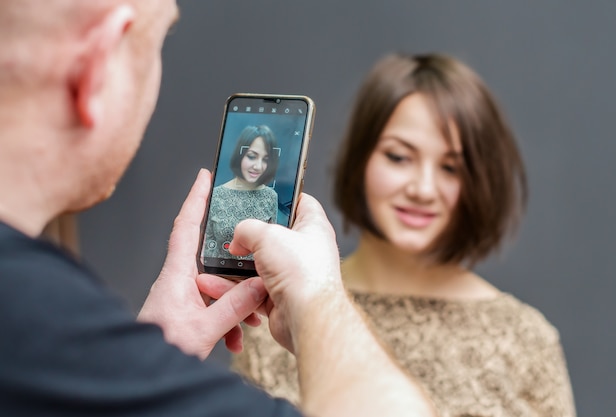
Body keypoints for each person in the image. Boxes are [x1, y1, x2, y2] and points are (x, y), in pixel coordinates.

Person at [0, 1, 439, 416]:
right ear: (97, 68)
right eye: (157, 48)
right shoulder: (41, 323)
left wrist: (150, 361)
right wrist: (317, 299)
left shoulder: (41, 340)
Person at [232, 53, 577, 416]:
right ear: (361, 158)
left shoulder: (525, 340)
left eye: (450, 167)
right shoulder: (282, 317)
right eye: (399, 157)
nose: (423, 189)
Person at [203, 125, 279, 261]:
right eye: (251, 157)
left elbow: (272, 248)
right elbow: (209, 244)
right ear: (240, 155)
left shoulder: (270, 196)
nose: (258, 166)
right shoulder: (217, 194)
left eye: (265, 159)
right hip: (217, 276)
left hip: (258, 278)